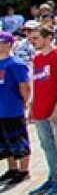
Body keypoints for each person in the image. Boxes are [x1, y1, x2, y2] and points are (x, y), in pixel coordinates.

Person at [28, 26, 57, 195]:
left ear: (48, 38)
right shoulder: (38, 58)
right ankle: (53, 175)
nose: (32, 42)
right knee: (47, 145)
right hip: (41, 109)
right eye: (31, 39)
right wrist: (32, 104)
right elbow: (37, 82)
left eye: (35, 38)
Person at [0, 33, 31, 186]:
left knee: (19, 141)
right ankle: (12, 168)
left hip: (13, 108)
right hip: (1, 110)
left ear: (10, 44)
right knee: (6, 142)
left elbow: (24, 86)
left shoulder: (16, 64)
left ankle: (24, 170)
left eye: (1, 42)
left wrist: (24, 102)